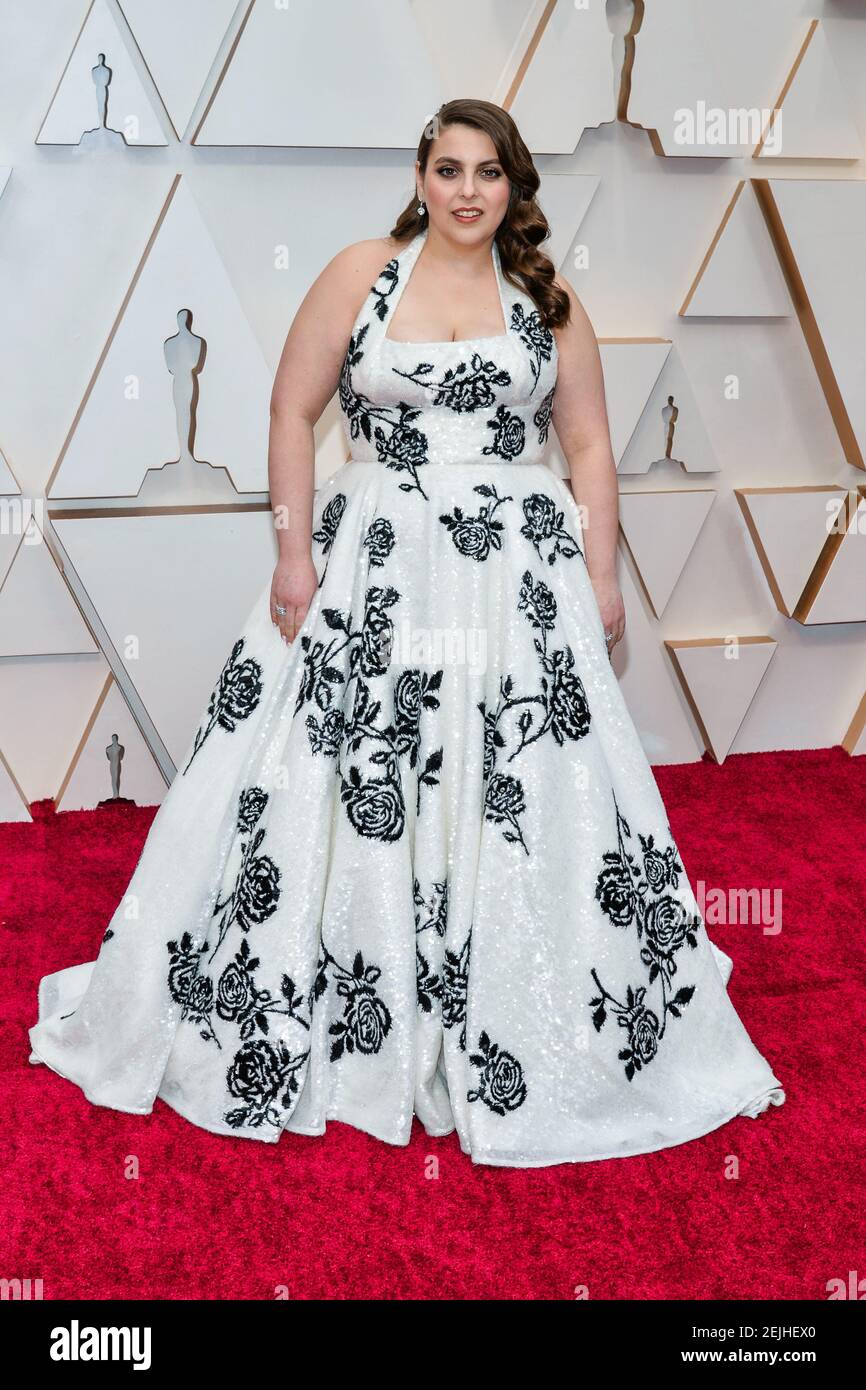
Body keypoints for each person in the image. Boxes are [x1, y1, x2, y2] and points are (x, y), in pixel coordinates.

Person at [29, 99, 784, 1166]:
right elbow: (292, 413)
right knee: (336, 777)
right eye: (446, 168)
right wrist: (293, 552)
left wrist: (601, 574)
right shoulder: (359, 272)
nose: (466, 190)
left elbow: (590, 445)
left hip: (515, 580)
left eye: (487, 172)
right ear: (420, 175)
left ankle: (523, 1011)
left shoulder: (547, 302)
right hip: (369, 569)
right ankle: (352, 1010)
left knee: (521, 788)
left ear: (515, 185)